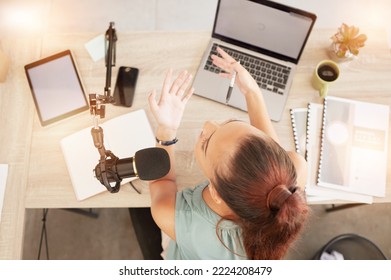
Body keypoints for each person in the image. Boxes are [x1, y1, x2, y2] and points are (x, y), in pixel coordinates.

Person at [147, 47, 308, 260]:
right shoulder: (293, 177)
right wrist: (252, 92)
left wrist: (166, 131)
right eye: (230, 122)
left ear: (216, 192)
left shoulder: (175, 217)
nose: (208, 124)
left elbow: (162, 183)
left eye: (206, 143)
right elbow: (268, 150)